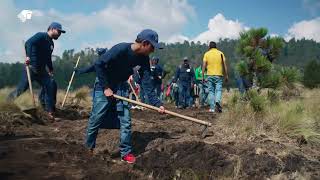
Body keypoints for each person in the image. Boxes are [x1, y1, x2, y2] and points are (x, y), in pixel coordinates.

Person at [85, 29, 165, 164]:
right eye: (152, 47)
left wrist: (157, 104)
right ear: (145, 43)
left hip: (121, 85)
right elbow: (99, 64)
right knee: (96, 117)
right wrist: (105, 87)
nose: (153, 51)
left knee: (126, 120)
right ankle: (88, 148)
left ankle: (126, 153)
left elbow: (146, 83)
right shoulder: (120, 49)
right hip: (104, 83)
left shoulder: (144, 59)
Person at [7, 22, 66, 119]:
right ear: (52, 29)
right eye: (58, 31)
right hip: (31, 68)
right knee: (21, 89)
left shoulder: (51, 43)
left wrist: (50, 69)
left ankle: (49, 111)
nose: (59, 34)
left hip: (42, 71)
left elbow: (48, 58)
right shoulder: (40, 36)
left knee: (51, 84)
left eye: (60, 32)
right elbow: (29, 43)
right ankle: (6, 104)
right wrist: (28, 57)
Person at [202, 41, 228, 113]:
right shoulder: (220, 53)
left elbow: (204, 65)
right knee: (218, 90)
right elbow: (224, 65)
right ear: (216, 46)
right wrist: (226, 75)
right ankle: (217, 101)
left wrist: (203, 76)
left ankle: (212, 108)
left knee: (211, 91)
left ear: (209, 47)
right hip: (218, 75)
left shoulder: (206, 54)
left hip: (209, 75)